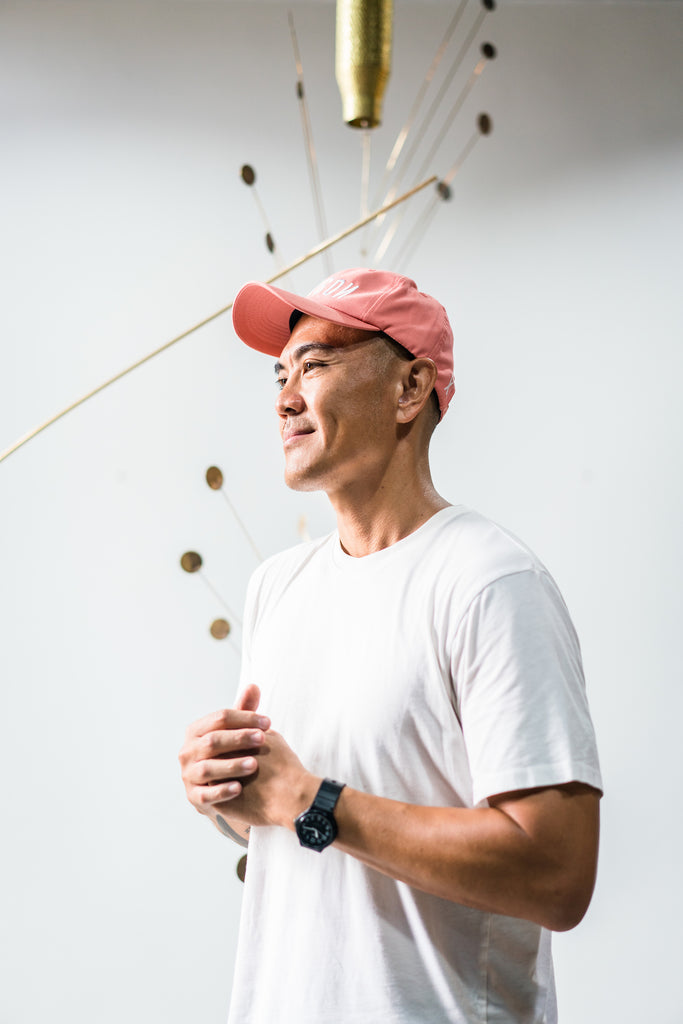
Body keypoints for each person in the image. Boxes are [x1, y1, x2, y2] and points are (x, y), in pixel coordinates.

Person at [178, 267, 602, 1024]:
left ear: (408, 389)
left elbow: (557, 874)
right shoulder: (276, 587)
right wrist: (229, 794)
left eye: (315, 365)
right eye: (279, 374)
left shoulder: (490, 582)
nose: (283, 397)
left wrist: (312, 802)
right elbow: (284, 815)